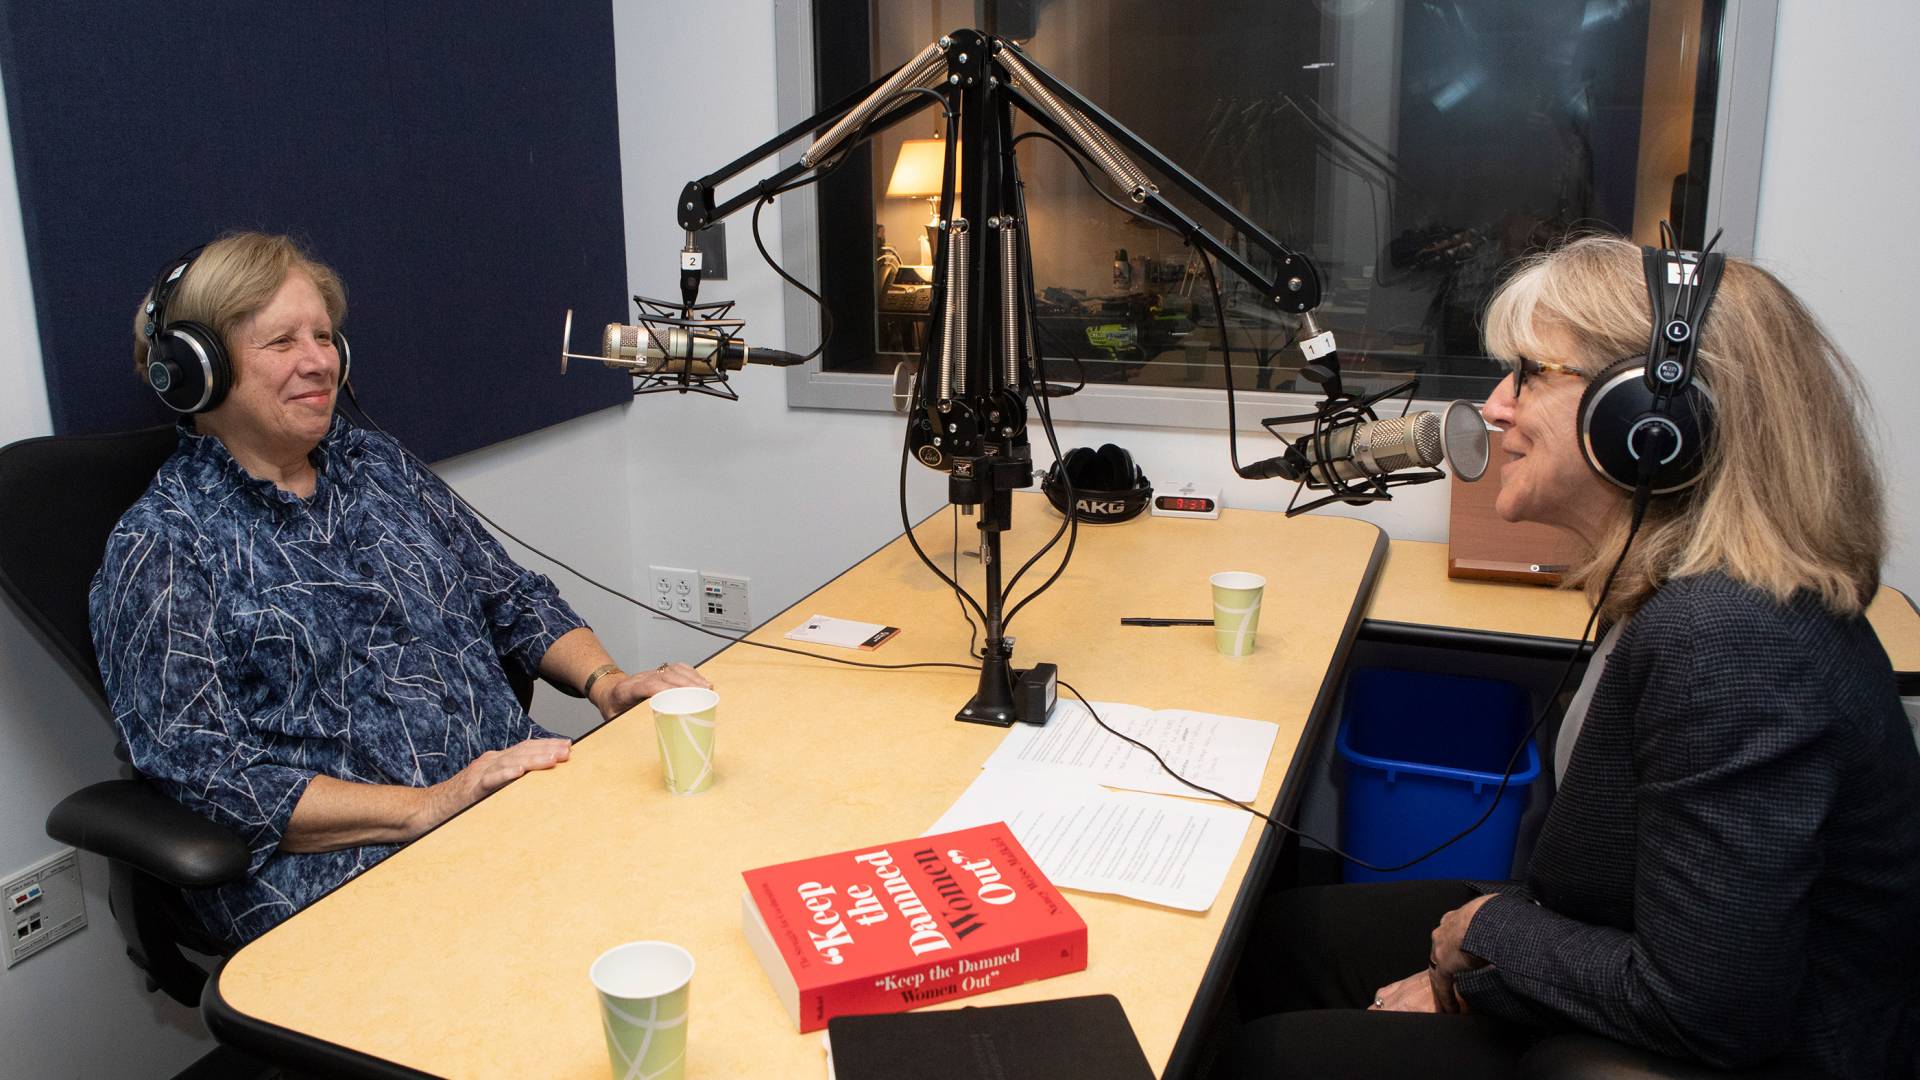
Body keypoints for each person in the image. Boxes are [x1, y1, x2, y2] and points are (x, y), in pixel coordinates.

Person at [1225, 235, 1920, 1078]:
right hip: (1627, 941)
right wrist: (1484, 960)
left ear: (1647, 419)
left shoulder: (1732, 640)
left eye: (1529, 374)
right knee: (1282, 935)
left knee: (1267, 1057)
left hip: (1745, 1052)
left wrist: (1486, 943)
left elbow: (1710, 1006)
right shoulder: (1680, 585)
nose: (1494, 407)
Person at [89, 232, 709, 946]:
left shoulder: (376, 465)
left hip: (505, 793)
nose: (319, 361)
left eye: (324, 336)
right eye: (283, 341)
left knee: (689, 868)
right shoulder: (163, 547)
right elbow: (211, 779)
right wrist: (428, 805)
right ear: (199, 368)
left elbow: (510, 595)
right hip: (344, 870)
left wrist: (608, 683)